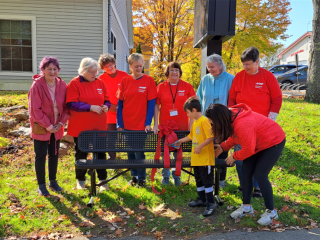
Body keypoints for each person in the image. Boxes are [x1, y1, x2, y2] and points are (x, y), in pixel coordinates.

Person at [206, 103, 285, 225]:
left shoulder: (243, 124)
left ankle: (271, 212)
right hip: (257, 142)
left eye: (212, 122)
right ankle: (247, 208)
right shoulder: (230, 116)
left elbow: (248, 149)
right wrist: (223, 147)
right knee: (246, 171)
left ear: (219, 120)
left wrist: (234, 156)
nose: (212, 125)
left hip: (273, 141)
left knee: (260, 175)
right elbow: (236, 135)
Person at [228, 47, 283, 197]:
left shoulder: (268, 77)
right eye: (244, 64)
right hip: (241, 125)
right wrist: (231, 115)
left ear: (257, 61)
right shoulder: (239, 77)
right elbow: (232, 98)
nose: (246, 67)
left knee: (258, 157)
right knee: (240, 157)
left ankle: (257, 186)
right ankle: (244, 184)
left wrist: (270, 119)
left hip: (261, 127)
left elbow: (277, 98)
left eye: (249, 64)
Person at [66, 57, 111, 192]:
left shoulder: (100, 83)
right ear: (83, 71)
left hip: (99, 125)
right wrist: (90, 107)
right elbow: (71, 103)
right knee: (81, 154)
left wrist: (106, 106)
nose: (95, 75)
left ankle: (102, 180)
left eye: (96, 72)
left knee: (101, 153)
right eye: (92, 72)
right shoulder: (74, 83)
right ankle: (80, 180)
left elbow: (107, 99)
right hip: (81, 127)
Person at [28, 56, 70, 197]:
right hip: (42, 126)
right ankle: (41, 185)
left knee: (54, 154)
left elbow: (66, 106)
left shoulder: (62, 85)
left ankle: (53, 181)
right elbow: (35, 110)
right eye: (49, 69)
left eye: (55, 69)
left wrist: (60, 123)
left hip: (57, 127)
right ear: (43, 70)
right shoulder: (37, 86)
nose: (52, 72)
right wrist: (48, 125)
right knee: (40, 155)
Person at [117, 53, 157, 187]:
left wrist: (148, 123)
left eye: (141, 66)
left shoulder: (148, 80)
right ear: (130, 66)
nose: (139, 68)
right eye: (136, 66)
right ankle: (133, 176)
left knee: (139, 152)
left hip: (141, 124)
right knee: (130, 151)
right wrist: (120, 124)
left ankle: (142, 177)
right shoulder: (125, 81)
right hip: (127, 122)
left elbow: (151, 105)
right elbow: (120, 104)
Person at [153, 61, 196, 186]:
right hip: (166, 126)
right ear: (167, 72)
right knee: (165, 153)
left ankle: (177, 176)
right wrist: (155, 124)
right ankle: (165, 177)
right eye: (172, 70)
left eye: (177, 70)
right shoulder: (161, 87)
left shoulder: (187, 86)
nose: (174, 72)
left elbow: (194, 105)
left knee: (178, 153)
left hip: (181, 126)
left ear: (180, 73)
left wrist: (191, 123)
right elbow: (156, 106)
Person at [196, 54, 234, 188]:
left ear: (220, 65)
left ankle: (221, 179)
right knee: (208, 148)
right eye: (208, 67)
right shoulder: (205, 79)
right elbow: (199, 98)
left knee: (222, 149)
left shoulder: (230, 79)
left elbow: (234, 100)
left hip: (223, 121)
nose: (210, 70)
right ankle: (209, 178)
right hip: (207, 122)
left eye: (212, 67)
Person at [174, 97, 216, 217]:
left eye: (187, 112)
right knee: (199, 180)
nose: (187, 115)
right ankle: (202, 200)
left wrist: (200, 147)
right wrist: (180, 141)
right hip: (196, 159)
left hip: (205, 159)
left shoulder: (204, 121)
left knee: (207, 181)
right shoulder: (195, 122)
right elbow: (192, 136)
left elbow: (211, 137)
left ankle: (211, 203)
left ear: (193, 110)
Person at [98, 53, 128, 160]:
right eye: (106, 67)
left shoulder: (124, 75)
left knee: (128, 138)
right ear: (103, 68)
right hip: (109, 113)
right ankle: (112, 160)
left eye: (111, 65)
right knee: (111, 139)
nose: (109, 68)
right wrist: (110, 106)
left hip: (124, 112)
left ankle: (132, 160)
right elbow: (99, 96)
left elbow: (130, 93)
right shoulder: (101, 79)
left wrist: (122, 107)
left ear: (114, 63)